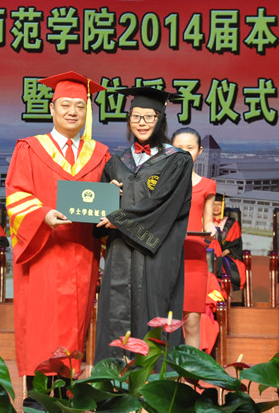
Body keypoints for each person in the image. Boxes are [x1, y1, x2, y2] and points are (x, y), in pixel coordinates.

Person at [5, 71, 110, 393]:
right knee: (40, 322)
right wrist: (43, 215)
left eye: (80, 106)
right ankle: (37, 395)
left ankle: (67, 390)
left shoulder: (100, 154)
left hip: (81, 252)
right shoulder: (30, 148)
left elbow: (106, 200)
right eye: (65, 105)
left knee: (74, 321)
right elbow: (16, 194)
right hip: (43, 250)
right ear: (52, 108)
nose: (72, 112)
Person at [95, 86, 193, 361]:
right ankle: (113, 379)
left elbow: (165, 204)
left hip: (156, 250)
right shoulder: (116, 163)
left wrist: (120, 219)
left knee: (155, 310)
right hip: (120, 251)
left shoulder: (177, 161)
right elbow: (100, 212)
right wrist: (107, 196)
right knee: (116, 310)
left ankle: (154, 380)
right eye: (136, 116)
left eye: (149, 117)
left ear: (161, 120)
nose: (142, 123)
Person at [172, 127, 216, 349]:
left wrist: (212, 229)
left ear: (199, 151)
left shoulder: (208, 185)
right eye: (179, 147)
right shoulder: (159, 183)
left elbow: (207, 221)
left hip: (194, 257)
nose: (184, 152)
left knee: (191, 322)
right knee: (163, 321)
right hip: (166, 255)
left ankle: (190, 370)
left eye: (189, 148)